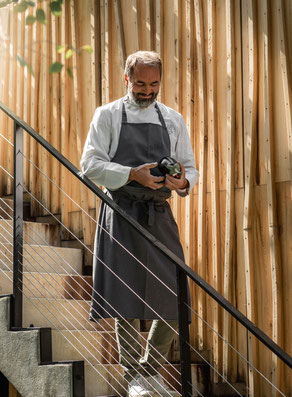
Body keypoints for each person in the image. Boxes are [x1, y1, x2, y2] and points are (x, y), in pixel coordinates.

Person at [80, 51, 198, 397]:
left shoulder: (173, 119)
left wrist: (183, 183)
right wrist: (132, 174)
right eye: (141, 84)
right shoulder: (108, 115)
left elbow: (190, 167)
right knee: (124, 296)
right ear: (127, 79)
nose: (148, 91)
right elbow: (89, 164)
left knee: (176, 299)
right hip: (121, 210)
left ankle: (150, 371)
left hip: (160, 213)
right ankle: (134, 377)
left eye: (154, 84)